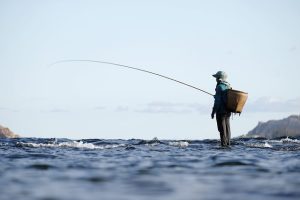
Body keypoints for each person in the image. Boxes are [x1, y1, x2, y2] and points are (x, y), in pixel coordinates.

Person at [211, 71, 232, 146]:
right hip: (228, 111)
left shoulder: (219, 87)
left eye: (216, 77)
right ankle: (228, 144)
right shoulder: (228, 86)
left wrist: (213, 112)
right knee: (227, 129)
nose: (215, 79)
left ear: (219, 78)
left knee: (222, 130)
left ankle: (223, 145)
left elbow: (217, 102)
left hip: (221, 112)